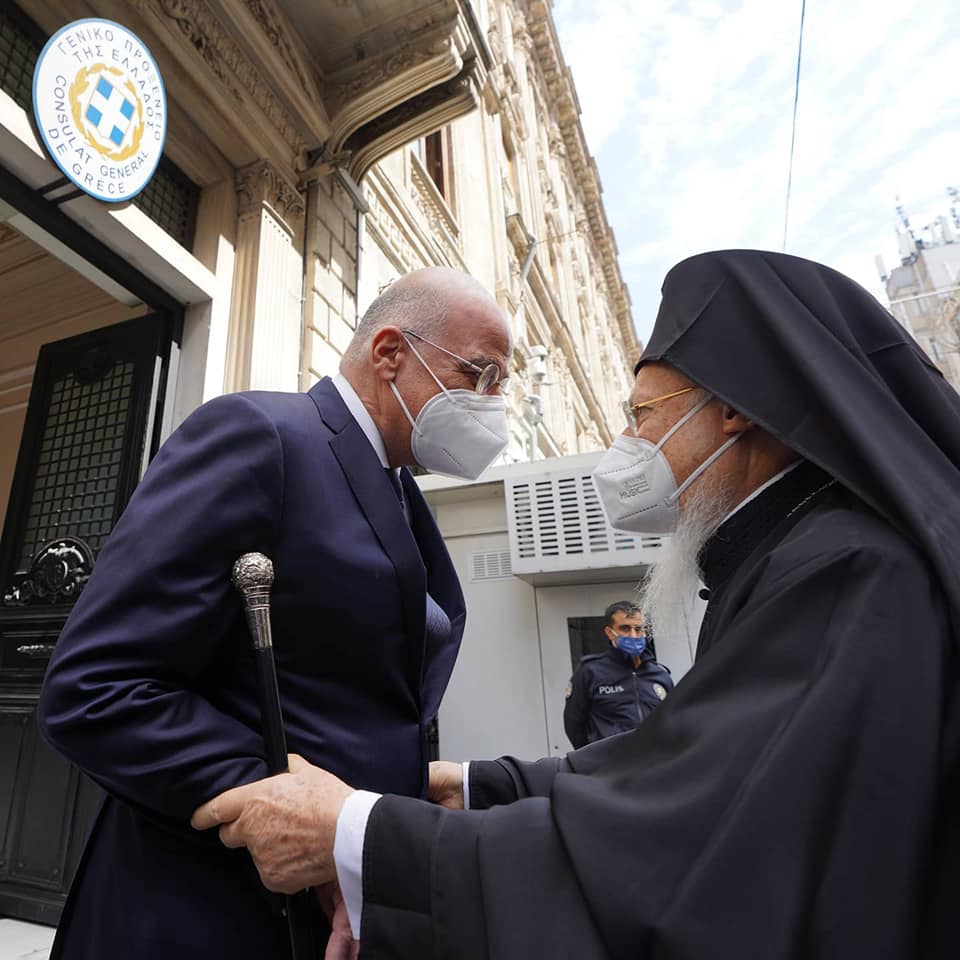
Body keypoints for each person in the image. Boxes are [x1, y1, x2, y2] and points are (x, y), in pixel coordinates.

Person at [192, 249, 960, 960]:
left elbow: (684, 846)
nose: (627, 441)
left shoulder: (847, 569)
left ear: (733, 410)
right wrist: (483, 784)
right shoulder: (807, 552)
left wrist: (358, 836)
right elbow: (682, 770)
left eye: (643, 415)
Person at [36, 266, 513, 959]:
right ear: (389, 354)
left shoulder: (403, 494)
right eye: (481, 374)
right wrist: (283, 804)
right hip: (201, 912)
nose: (493, 404)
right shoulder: (261, 435)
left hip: (325, 917)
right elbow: (95, 688)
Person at [563, 601, 672, 748]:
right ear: (609, 632)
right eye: (625, 628)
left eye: (638, 629)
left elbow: (673, 718)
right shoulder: (590, 671)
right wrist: (592, 762)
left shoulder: (659, 674)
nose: (633, 635)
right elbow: (573, 722)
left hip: (656, 762)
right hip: (610, 766)